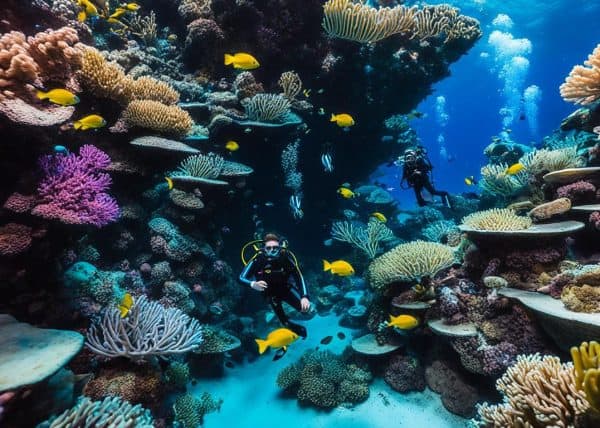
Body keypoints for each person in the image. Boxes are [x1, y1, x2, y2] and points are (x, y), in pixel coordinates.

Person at [239, 233, 310, 338]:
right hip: (271, 296)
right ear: (263, 249)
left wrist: (305, 297)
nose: (272, 251)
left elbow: (299, 277)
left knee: (306, 310)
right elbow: (240, 278)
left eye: (275, 248)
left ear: (280, 248)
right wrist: (252, 284)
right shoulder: (258, 259)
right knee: (285, 322)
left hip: (286, 290)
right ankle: (299, 332)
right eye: (268, 248)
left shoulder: (285, 258)